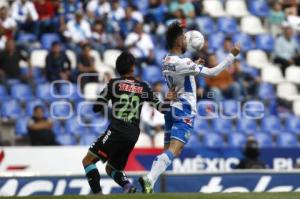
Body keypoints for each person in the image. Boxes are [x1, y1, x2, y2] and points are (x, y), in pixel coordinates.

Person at [139, 21, 240, 193]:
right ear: (178, 41)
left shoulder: (166, 60)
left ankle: (150, 182)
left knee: (171, 152)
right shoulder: (183, 62)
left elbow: (182, 72)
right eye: (184, 38)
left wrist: (193, 65)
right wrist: (232, 56)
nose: (187, 40)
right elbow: (212, 72)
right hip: (184, 109)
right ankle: (148, 178)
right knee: (174, 150)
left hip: (171, 109)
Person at [81, 51, 176, 194]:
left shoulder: (114, 84)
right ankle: (128, 187)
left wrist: (103, 97)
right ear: (133, 67)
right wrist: (168, 98)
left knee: (88, 161)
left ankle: (98, 195)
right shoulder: (144, 87)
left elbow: (96, 107)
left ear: (118, 68)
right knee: (112, 168)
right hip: (133, 134)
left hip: (117, 129)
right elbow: (163, 108)